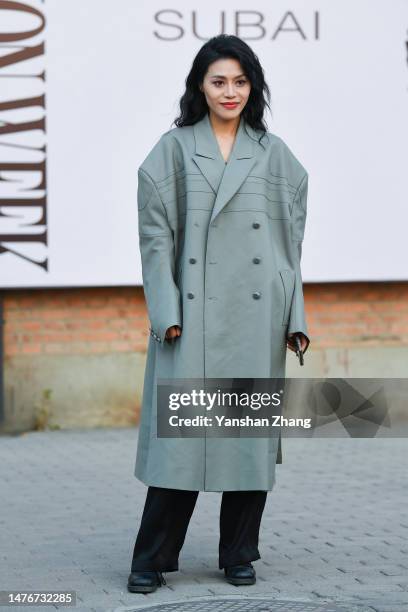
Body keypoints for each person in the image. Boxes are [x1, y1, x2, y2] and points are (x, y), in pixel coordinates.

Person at [128, 34, 310, 593]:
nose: (229, 91)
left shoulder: (273, 151)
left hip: (256, 318)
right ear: (200, 87)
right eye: (218, 81)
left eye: (239, 81)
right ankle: (152, 558)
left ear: (251, 87)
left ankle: (239, 553)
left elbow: (289, 243)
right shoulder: (175, 148)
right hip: (192, 317)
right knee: (182, 444)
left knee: (247, 443)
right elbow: (155, 238)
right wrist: (165, 311)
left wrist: (294, 316)